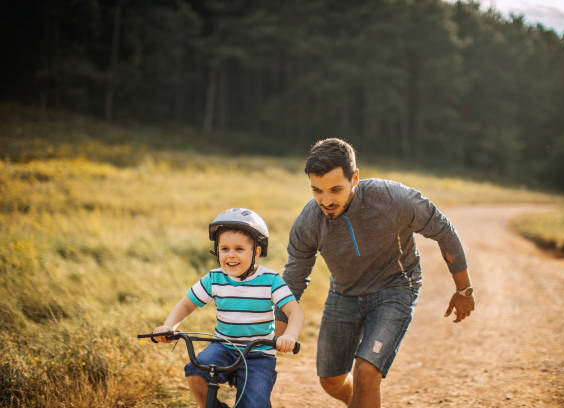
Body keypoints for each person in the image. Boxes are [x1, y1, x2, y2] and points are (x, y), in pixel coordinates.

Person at [275, 138, 474, 408]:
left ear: (354, 178)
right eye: (317, 191)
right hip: (343, 293)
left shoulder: (393, 199)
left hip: (395, 288)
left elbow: (444, 230)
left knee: (366, 372)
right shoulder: (309, 222)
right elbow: (294, 277)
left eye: (335, 190)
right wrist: (277, 331)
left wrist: (464, 290)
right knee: (331, 380)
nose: (326, 200)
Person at [154, 208, 304, 408]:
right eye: (224, 249)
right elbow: (186, 304)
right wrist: (168, 326)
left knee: (254, 403)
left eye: (239, 249)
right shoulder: (215, 279)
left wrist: (290, 335)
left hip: (258, 352)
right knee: (196, 371)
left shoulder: (270, 280)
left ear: (256, 252)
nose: (230, 255)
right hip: (223, 346)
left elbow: (295, 312)